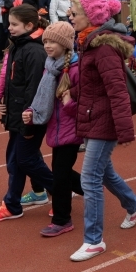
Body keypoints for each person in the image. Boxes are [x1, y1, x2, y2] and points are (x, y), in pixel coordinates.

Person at [68, 0, 136, 261]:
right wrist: (73, 92)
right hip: (94, 117)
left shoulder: (103, 48)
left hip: (105, 122)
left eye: (75, 13)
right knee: (102, 172)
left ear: (90, 16)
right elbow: (94, 85)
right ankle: (134, 204)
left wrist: (125, 130)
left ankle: (93, 241)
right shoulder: (88, 43)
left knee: (89, 179)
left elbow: (117, 91)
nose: (71, 16)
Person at [0, 4, 52, 224]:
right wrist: (3, 104)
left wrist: (29, 120)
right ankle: (25, 199)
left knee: (22, 161)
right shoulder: (17, 46)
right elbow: (14, 83)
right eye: (9, 24)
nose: (9, 28)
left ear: (29, 25)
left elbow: (34, 90)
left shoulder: (34, 51)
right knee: (18, 160)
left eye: (14, 25)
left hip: (27, 118)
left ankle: (61, 189)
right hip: (17, 115)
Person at [21, 22, 84, 237]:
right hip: (56, 129)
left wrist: (68, 103)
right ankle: (91, 187)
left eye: (53, 41)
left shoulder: (75, 70)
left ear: (65, 44)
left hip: (72, 130)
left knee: (59, 175)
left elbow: (85, 105)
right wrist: (32, 111)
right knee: (61, 171)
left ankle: (62, 219)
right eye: (45, 40)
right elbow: (41, 97)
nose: (47, 45)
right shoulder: (49, 67)